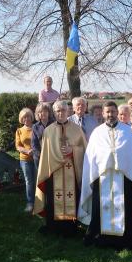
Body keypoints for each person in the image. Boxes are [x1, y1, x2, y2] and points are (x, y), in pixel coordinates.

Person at [79, 101, 132, 249]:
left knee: (127, 208)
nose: (110, 114)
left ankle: (126, 239)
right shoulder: (97, 133)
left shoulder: (127, 132)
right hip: (102, 177)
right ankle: (101, 237)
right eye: (107, 112)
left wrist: (119, 159)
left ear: (117, 113)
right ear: (103, 114)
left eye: (112, 111)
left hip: (125, 178)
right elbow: (91, 157)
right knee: (101, 207)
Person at [34, 100, 86, 236]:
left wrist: (73, 150)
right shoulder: (48, 131)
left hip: (72, 171)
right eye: (57, 110)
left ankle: (71, 228)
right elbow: (45, 154)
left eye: (63, 110)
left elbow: (84, 149)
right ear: (54, 113)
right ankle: (54, 227)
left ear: (68, 111)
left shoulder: (77, 129)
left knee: (72, 198)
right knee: (53, 199)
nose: (60, 113)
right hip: (54, 172)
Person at [15, 108, 35, 212]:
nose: (26, 118)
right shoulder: (19, 130)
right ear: (21, 119)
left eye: (28, 116)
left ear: (32, 117)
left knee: (37, 180)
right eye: (24, 117)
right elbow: (18, 146)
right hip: (25, 160)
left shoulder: (36, 128)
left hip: (37, 158)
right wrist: (27, 151)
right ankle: (30, 203)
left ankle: (40, 202)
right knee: (29, 181)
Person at [32, 103, 54, 171]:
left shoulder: (54, 124)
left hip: (53, 156)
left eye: (44, 111)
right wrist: (41, 155)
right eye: (40, 112)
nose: (42, 113)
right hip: (39, 157)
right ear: (37, 114)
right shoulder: (35, 126)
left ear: (48, 112)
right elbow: (34, 144)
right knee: (42, 179)